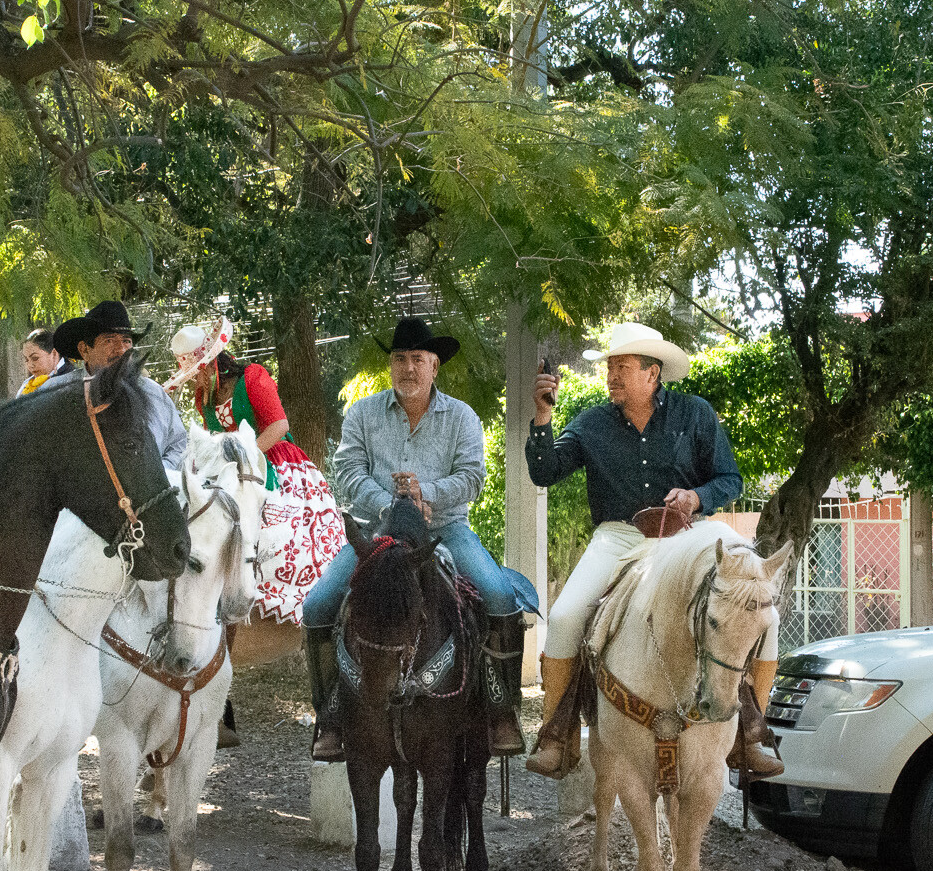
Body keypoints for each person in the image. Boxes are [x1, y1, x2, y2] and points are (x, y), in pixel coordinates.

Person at [521, 322, 766, 780]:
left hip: (689, 532)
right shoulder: (591, 422)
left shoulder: (695, 413)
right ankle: (557, 736)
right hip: (619, 535)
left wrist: (696, 497)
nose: (611, 375)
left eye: (622, 366)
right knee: (567, 616)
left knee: (757, 604)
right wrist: (542, 417)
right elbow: (545, 471)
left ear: (652, 374)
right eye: (610, 367)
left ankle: (751, 734)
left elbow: (730, 479)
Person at [301, 317, 539, 762]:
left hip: (445, 528)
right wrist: (394, 507)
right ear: (391, 365)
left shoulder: (461, 416)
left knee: (499, 596)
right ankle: (329, 713)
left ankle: (500, 709)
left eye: (417, 359)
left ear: (434, 366)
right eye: (399, 359)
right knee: (317, 605)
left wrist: (425, 494)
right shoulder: (363, 414)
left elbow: (472, 477)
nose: (407, 368)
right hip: (378, 533)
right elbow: (348, 473)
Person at [167, 319, 345, 746]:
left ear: (213, 363)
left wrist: (242, 459)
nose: (196, 382)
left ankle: (302, 609)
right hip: (231, 474)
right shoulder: (204, 396)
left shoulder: (254, 378)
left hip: (275, 466)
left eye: (198, 372)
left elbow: (278, 426)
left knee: (289, 533)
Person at [44, 299, 188, 471]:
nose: (121, 350)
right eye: (109, 341)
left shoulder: (153, 393)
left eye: (126, 341)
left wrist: (158, 474)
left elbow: (178, 444)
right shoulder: (54, 394)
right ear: (84, 350)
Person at [18, 327, 59, 397]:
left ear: (54, 354)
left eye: (35, 358)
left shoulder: (68, 378)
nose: (30, 365)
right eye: (26, 360)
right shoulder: (26, 384)